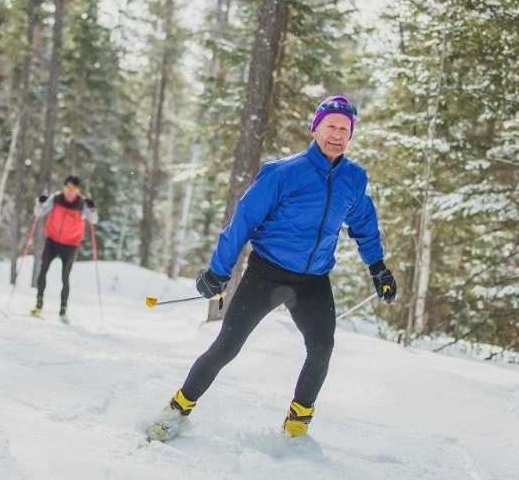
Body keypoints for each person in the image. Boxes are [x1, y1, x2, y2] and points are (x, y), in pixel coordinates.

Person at [147, 95, 397, 442]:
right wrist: (219, 271)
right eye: (331, 126)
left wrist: (378, 268)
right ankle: (176, 410)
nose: (337, 134)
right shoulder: (284, 173)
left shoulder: (353, 179)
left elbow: (364, 224)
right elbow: (243, 222)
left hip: (313, 281)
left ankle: (297, 425)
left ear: (351, 135)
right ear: (316, 128)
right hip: (267, 273)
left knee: (322, 346)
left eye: (344, 128)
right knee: (227, 346)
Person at [30, 175, 98, 321]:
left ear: (77, 190)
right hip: (52, 241)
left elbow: (93, 220)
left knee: (65, 277)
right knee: (43, 271)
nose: (69, 192)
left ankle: (63, 311)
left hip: (70, 245)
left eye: (72, 189)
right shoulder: (56, 199)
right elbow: (38, 213)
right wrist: (39, 202)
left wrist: (92, 207)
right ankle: (38, 305)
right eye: (67, 188)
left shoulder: (82, 204)